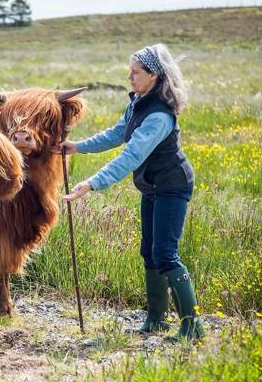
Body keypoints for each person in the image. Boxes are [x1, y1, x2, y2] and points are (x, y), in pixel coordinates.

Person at [55, 44, 204, 341]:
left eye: (135, 73)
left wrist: (92, 183)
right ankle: (156, 321)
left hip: (172, 187)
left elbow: (131, 156)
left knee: (165, 253)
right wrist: (79, 146)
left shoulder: (159, 116)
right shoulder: (138, 101)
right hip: (152, 187)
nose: (130, 77)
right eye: (129, 72)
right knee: (149, 252)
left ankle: (192, 326)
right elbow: (116, 134)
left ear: (154, 75)